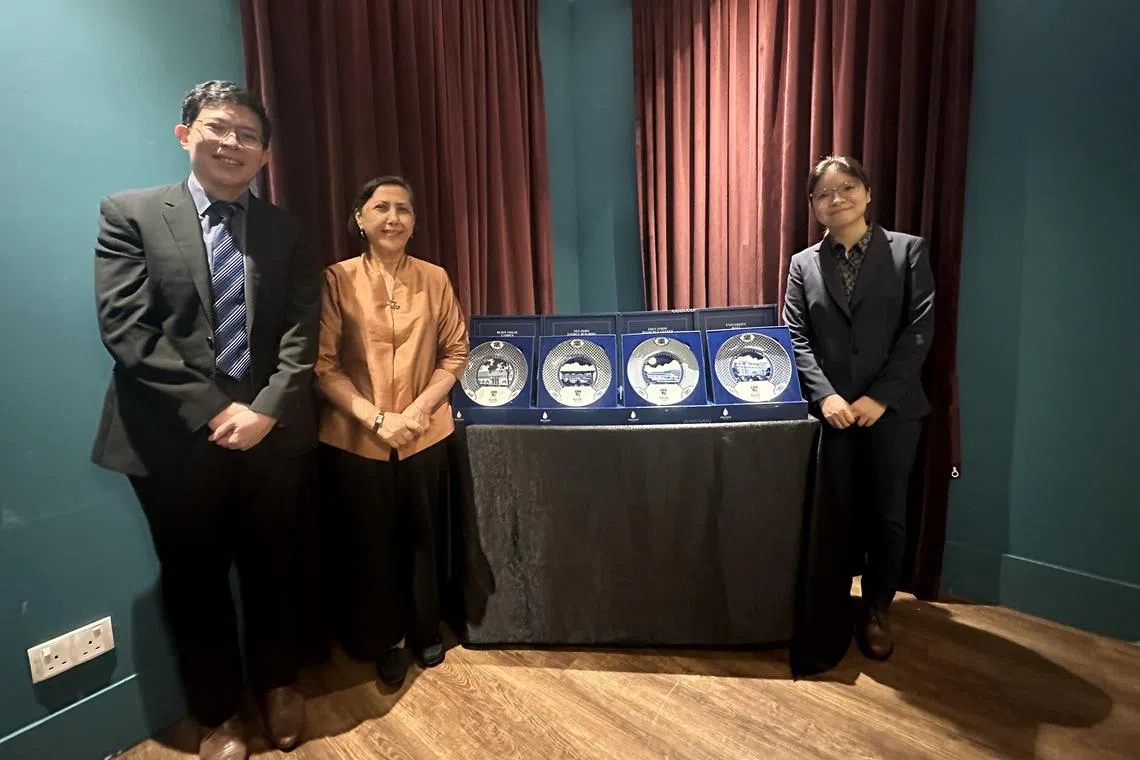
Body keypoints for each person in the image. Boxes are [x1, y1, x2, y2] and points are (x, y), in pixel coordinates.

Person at [91, 81, 320, 760]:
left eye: (249, 135)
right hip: (171, 441)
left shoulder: (286, 229)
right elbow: (127, 331)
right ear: (185, 134)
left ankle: (279, 684)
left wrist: (265, 412)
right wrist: (219, 411)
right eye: (219, 127)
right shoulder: (128, 214)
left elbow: (303, 334)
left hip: (271, 438)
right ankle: (219, 713)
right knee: (194, 581)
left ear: (265, 155)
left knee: (275, 568)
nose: (233, 143)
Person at [315, 175, 469, 688]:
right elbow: (323, 366)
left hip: (426, 434)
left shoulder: (436, 278)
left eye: (403, 208)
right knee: (371, 544)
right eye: (380, 207)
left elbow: (456, 353)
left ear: (414, 221)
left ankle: (425, 628)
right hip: (357, 438)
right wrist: (377, 418)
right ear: (359, 218)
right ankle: (385, 639)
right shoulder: (336, 279)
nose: (393, 218)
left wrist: (420, 410)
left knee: (425, 540)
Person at [782, 155, 935, 661]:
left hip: (893, 412)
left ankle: (876, 609)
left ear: (867, 193)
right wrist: (825, 395)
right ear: (813, 206)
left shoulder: (907, 251)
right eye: (824, 194)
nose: (837, 199)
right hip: (832, 413)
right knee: (835, 513)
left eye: (847, 188)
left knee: (887, 516)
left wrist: (880, 397)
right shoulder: (803, 264)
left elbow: (918, 332)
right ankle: (830, 605)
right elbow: (796, 337)